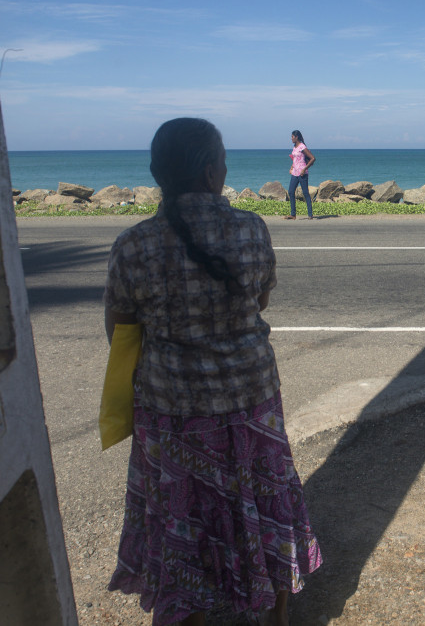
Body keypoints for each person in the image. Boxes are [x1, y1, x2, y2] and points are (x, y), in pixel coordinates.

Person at [104, 118, 322, 626]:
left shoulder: (133, 245)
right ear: (209, 173)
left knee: (184, 517)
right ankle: (276, 615)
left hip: (172, 410)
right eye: (223, 162)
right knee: (266, 501)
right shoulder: (250, 228)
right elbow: (260, 298)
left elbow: (120, 332)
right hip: (251, 399)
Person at [286, 130, 315, 219]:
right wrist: (291, 167)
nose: (291, 138)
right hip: (294, 173)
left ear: (296, 137)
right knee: (291, 192)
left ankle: (310, 214)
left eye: (292, 137)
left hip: (302, 173)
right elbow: (295, 159)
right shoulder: (294, 147)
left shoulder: (302, 147)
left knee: (305, 193)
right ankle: (293, 214)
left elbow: (312, 158)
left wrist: (304, 169)